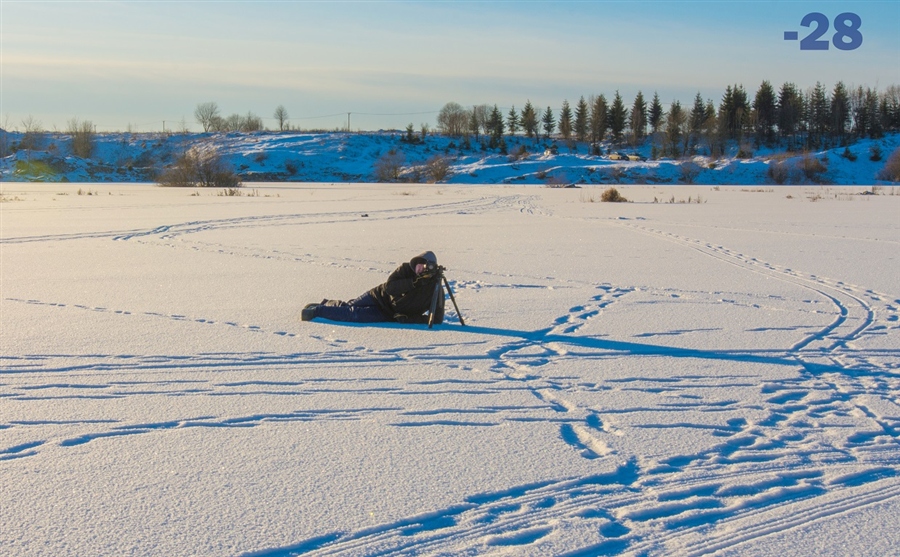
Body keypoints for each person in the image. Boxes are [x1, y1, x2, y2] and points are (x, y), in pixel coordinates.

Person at [302, 251, 444, 325]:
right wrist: (413, 282)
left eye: (424, 267)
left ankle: (316, 311)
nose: (419, 269)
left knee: (353, 315)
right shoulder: (406, 269)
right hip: (377, 296)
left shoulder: (435, 287)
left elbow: (436, 319)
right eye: (418, 265)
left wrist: (410, 318)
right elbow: (390, 288)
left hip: (388, 313)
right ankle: (327, 303)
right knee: (349, 306)